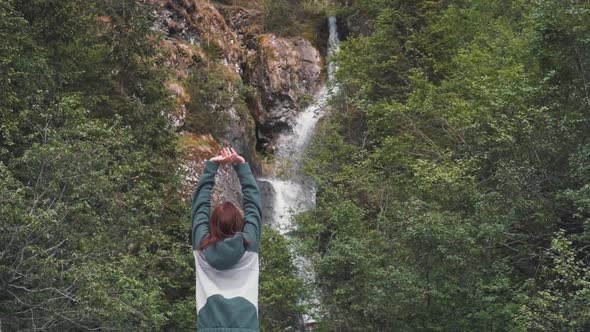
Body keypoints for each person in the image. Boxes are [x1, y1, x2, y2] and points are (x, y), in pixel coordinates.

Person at [191, 146, 262, 331]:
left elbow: (199, 208)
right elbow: (254, 206)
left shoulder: (201, 248)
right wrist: (241, 166)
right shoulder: (249, 244)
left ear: (211, 224)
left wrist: (211, 167)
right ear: (240, 224)